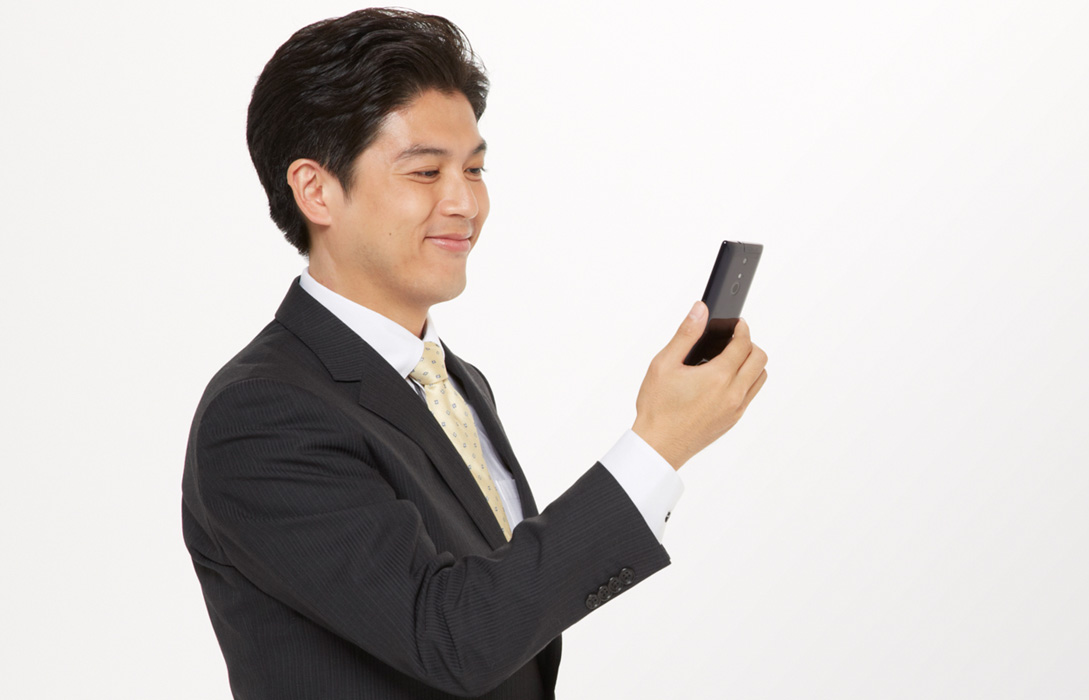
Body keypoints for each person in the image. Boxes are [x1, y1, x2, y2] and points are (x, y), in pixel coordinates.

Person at [180, 8, 768, 698]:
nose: (465, 202)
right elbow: (450, 636)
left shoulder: (452, 382)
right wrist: (657, 444)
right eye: (426, 172)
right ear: (316, 190)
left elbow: (507, 608)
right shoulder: (262, 414)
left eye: (475, 168)